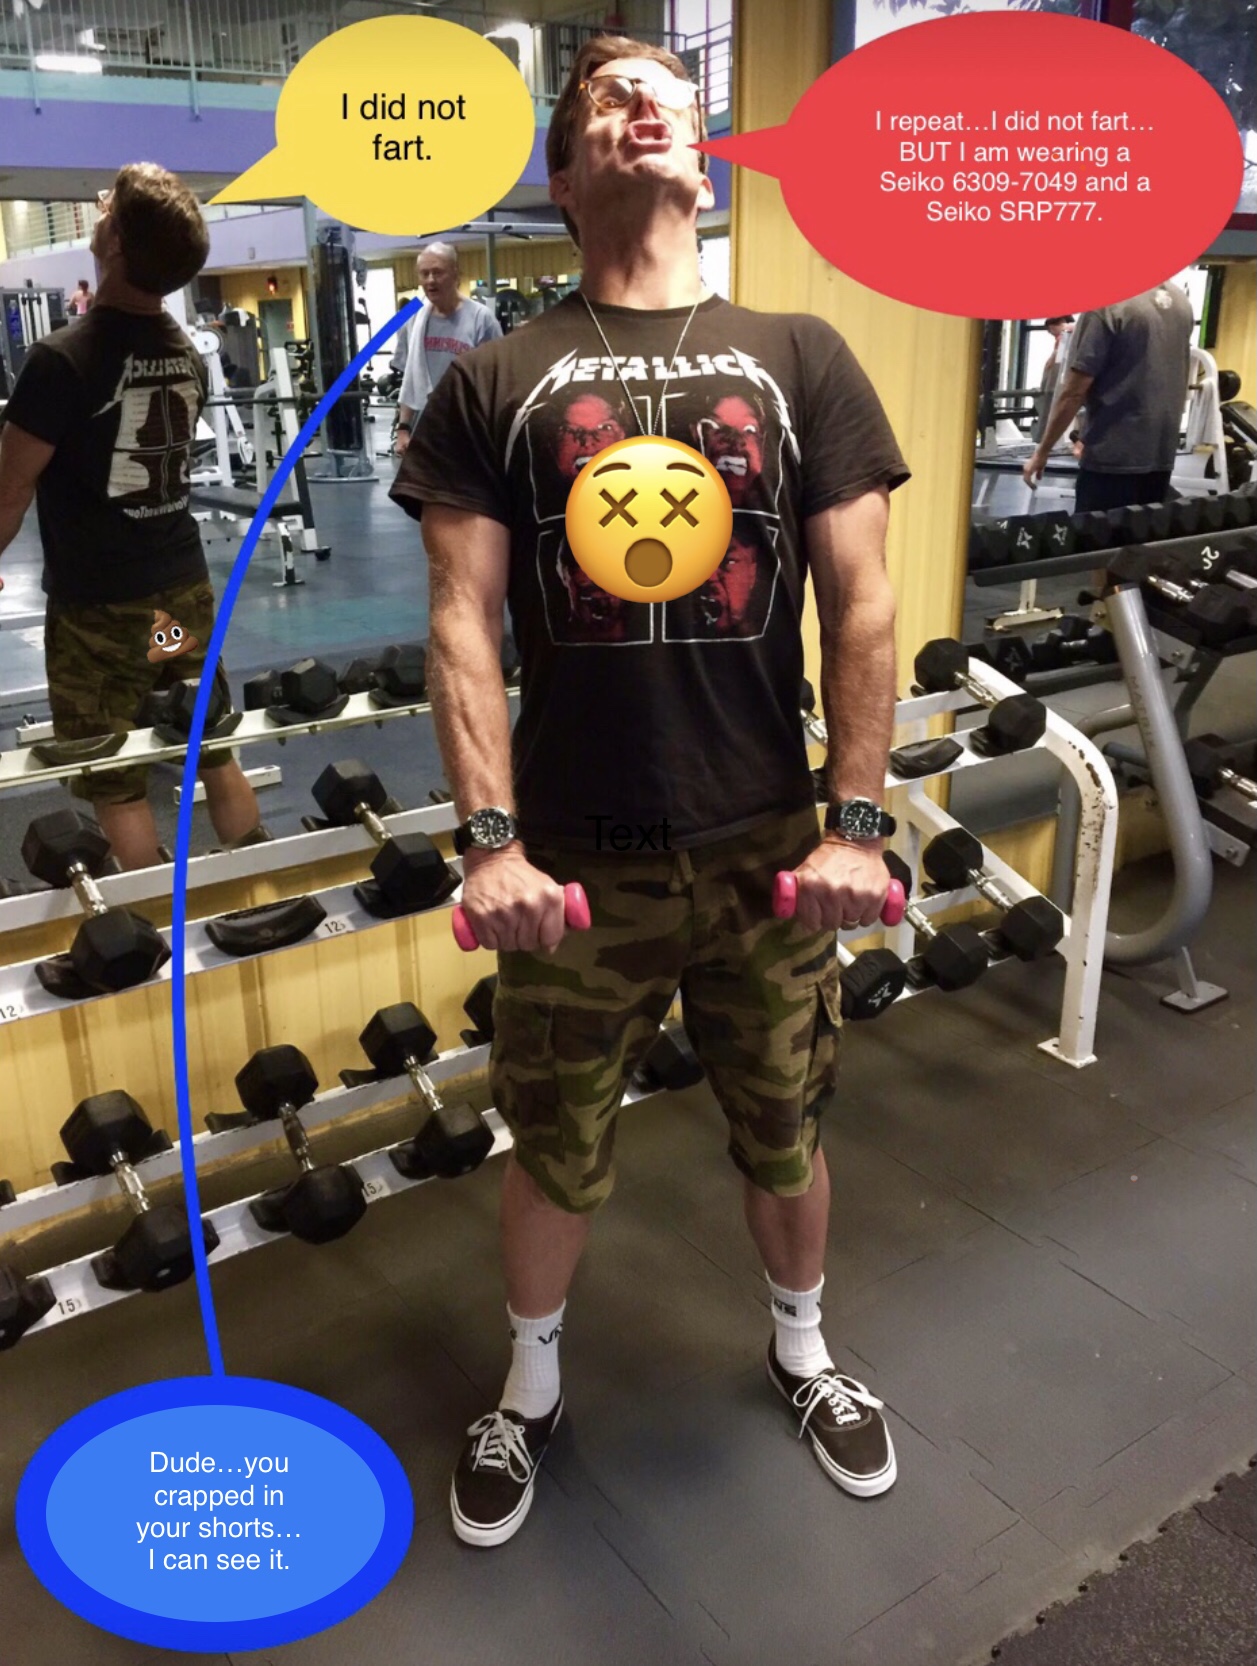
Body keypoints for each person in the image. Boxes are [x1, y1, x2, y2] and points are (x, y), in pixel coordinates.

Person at [391, 34, 909, 1549]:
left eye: (673, 98)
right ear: (565, 175)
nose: (645, 107)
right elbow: (460, 621)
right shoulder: (496, 377)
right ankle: (531, 1387)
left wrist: (856, 823)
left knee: (787, 1124)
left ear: (705, 158)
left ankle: (804, 1350)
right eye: (610, 101)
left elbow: (863, 600)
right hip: (572, 862)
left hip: (766, 848)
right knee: (554, 1144)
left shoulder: (801, 353)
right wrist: (487, 845)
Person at [0, 162, 263, 870]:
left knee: (115, 778)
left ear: (115, 242)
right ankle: (267, 893)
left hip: (101, 614)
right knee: (210, 747)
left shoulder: (60, 360)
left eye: (107, 206)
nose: (97, 209)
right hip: (178, 600)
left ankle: (144, 920)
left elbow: (9, 490)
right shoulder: (185, 354)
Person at [1024, 282, 1194, 512]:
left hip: (1112, 457)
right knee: (1144, 532)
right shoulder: (1181, 302)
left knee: (1098, 534)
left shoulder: (1106, 304)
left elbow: (1074, 391)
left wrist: (1042, 451)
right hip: (1161, 455)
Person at [393, 243, 502, 455]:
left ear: (455, 273)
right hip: (426, 428)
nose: (430, 280)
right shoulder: (414, 319)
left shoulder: (481, 319)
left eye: (438, 272)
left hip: (470, 429)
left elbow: (498, 381)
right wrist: (403, 428)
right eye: (424, 273)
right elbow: (411, 380)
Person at [1033, 314, 1074, 443]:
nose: (1050, 333)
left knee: (1050, 409)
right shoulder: (1072, 334)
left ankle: (1044, 440)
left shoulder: (1066, 335)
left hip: (1058, 382)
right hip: (1064, 379)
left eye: (1050, 329)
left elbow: (1057, 359)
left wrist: (1048, 365)